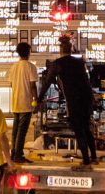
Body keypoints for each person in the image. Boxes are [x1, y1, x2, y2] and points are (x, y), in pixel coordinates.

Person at [36, 35, 97, 170]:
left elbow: (47, 83)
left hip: (74, 100)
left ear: (60, 50)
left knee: (78, 129)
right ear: (70, 49)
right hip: (86, 98)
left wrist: (39, 99)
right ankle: (93, 157)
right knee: (86, 128)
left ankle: (86, 161)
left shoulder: (57, 64)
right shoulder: (79, 62)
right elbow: (86, 80)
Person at [7, 42, 37, 163]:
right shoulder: (30, 66)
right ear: (28, 52)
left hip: (15, 102)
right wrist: (36, 99)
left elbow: (11, 84)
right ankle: (18, 155)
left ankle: (14, 153)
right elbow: (32, 85)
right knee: (22, 131)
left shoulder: (14, 67)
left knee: (15, 130)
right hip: (26, 102)